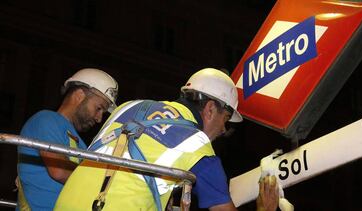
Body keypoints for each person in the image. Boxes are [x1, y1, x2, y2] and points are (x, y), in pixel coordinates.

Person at [54, 68, 279, 211]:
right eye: (226, 119)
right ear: (210, 109)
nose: (223, 130)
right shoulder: (197, 144)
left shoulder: (128, 106)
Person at [16, 68, 118, 211]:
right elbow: (59, 170)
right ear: (79, 95)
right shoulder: (46, 119)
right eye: (98, 108)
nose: (99, 118)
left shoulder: (81, 145)